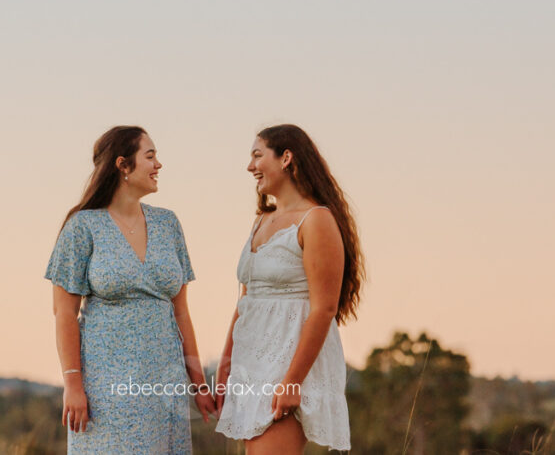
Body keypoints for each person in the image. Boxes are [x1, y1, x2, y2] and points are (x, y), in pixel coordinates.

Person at [45, 126, 217, 453]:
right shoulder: (82, 226)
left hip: (164, 382)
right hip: (106, 386)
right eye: (150, 156)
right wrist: (73, 385)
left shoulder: (169, 224)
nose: (158, 165)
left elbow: (181, 312)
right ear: (123, 165)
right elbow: (64, 313)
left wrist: (198, 383)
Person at [215, 124, 363, 453]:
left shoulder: (316, 219)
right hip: (252, 363)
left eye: (257, 156)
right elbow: (245, 301)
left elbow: (324, 308)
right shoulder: (261, 221)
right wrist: (226, 369)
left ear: (286, 158)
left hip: (289, 363)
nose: (250, 166)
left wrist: (293, 381)